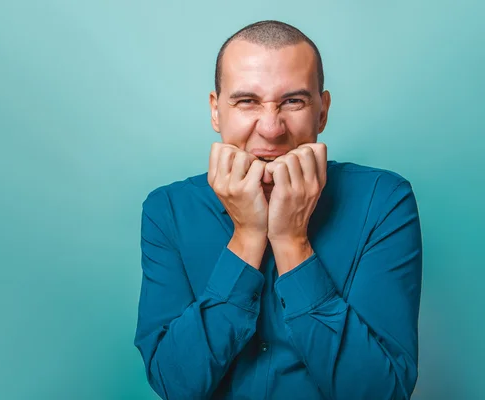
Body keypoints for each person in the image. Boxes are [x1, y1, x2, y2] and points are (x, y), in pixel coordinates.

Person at [134, 20, 423, 400]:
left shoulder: (384, 202)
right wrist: (247, 237)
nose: (271, 129)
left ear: (322, 111)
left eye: (293, 101)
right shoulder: (167, 211)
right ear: (216, 111)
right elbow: (175, 384)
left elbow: (380, 392)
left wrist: (292, 241)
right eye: (247, 101)